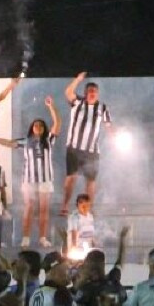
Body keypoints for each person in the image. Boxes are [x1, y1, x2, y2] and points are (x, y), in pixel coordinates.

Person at [5, 98, 59, 248]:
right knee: (29, 206)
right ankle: (26, 238)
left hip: (45, 179)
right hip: (28, 179)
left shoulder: (49, 140)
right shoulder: (25, 141)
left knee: (44, 209)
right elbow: (9, 143)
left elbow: (57, 124)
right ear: (32, 127)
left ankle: (42, 237)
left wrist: (51, 106)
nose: (38, 127)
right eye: (36, 125)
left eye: (41, 125)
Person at [59, 74, 112, 217]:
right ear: (85, 93)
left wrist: (114, 137)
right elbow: (68, 92)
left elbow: (108, 126)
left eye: (95, 91)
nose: (92, 93)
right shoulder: (77, 102)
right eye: (90, 91)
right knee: (71, 177)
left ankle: (88, 208)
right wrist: (78, 80)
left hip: (92, 151)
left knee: (91, 180)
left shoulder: (103, 108)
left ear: (98, 93)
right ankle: (64, 205)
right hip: (74, 148)